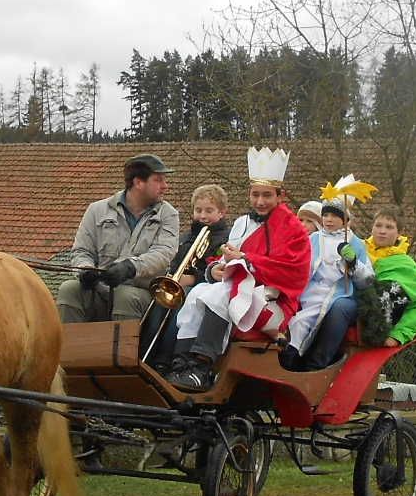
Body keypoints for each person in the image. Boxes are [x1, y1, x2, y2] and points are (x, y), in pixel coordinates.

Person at [165, 147, 312, 392]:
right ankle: (182, 363)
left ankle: (202, 367)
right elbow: (223, 256)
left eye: (267, 195)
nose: (260, 201)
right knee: (198, 292)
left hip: (272, 301)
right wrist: (214, 269)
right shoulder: (243, 222)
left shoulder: (293, 230)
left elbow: (292, 271)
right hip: (237, 286)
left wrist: (245, 259)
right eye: (255, 194)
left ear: (280, 195)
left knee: (220, 296)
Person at [57, 154, 179, 322]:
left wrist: (131, 267)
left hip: (141, 293)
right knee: (68, 289)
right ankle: (71, 347)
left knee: (125, 296)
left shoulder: (168, 215)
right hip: (99, 291)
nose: (165, 186)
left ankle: (121, 348)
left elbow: (164, 254)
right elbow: (82, 250)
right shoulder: (96, 210)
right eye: (158, 180)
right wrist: (85, 269)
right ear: (138, 183)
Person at [309, 207, 416, 362]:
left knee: (340, 307)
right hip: (339, 295)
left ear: (399, 233)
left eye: (389, 227)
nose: (382, 231)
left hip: (370, 316)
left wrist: (398, 335)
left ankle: (318, 363)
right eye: (378, 226)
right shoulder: (357, 248)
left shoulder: (406, 264)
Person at [282, 183, 374, 371]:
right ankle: (288, 360)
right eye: (326, 215)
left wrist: (354, 263)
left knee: (316, 317)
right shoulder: (313, 239)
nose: (329, 220)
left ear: (345, 219)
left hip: (339, 293)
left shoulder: (356, 243)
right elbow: (297, 266)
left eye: (334, 216)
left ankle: (312, 364)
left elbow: (367, 281)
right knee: (297, 321)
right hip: (310, 292)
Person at [147, 184, 231, 371]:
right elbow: (176, 262)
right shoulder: (186, 237)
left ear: (222, 212)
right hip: (179, 283)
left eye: (209, 210)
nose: (202, 215)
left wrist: (194, 279)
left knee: (180, 306)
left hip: (203, 287)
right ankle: (149, 354)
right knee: (158, 303)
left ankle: (167, 357)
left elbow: (220, 271)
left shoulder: (226, 238)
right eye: (198, 210)